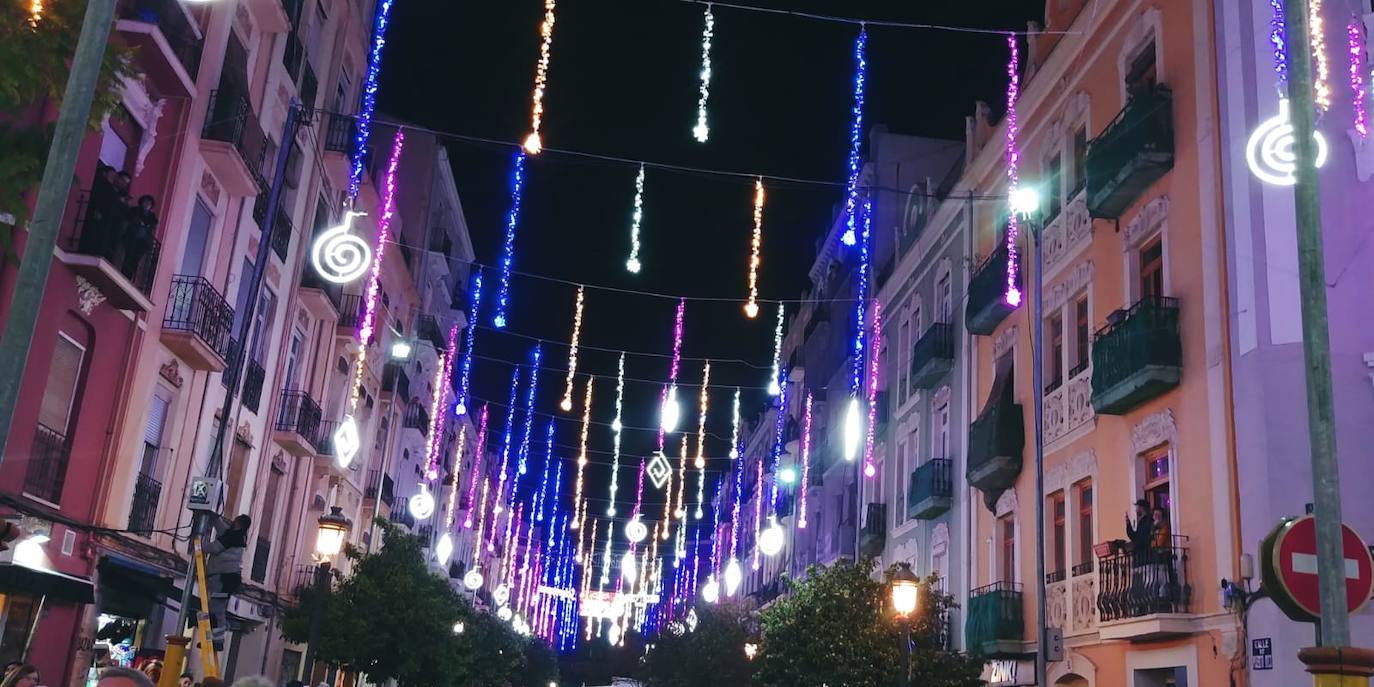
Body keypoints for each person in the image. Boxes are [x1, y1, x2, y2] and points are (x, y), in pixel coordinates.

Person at [203, 513, 251, 651]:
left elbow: (215, 547)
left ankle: (217, 640)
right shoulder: (237, 536)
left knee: (217, 610)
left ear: (238, 523)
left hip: (223, 578)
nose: (231, 522)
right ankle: (212, 639)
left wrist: (199, 547)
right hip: (226, 578)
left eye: (234, 521)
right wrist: (214, 518)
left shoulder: (233, 537)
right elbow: (223, 530)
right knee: (214, 608)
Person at [121, 195, 157, 280]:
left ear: (151, 205)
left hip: (143, 242)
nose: (147, 204)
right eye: (145, 202)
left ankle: (130, 276)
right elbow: (130, 216)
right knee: (128, 256)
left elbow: (153, 223)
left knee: (136, 260)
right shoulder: (135, 210)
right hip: (132, 238)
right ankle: (124, 275)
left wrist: (145, 224)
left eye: (149, 203)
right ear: (141, 202)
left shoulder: (152, 216)